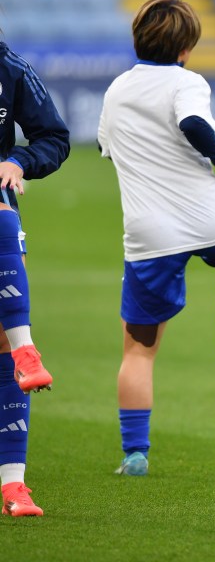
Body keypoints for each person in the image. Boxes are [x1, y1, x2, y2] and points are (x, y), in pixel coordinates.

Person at [98, 0, 215, 477]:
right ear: (187, 47)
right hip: (208, 215)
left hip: (151, 233)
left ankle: (135, 454)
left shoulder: (117, 91)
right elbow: (192, 121)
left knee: (139, 351)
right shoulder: (188, 82)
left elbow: (107, 147)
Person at [0, 39, 70, 517]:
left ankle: (14, 487)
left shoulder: (10, 68)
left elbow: (55, 138)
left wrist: (18, 161)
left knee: (3, 353)